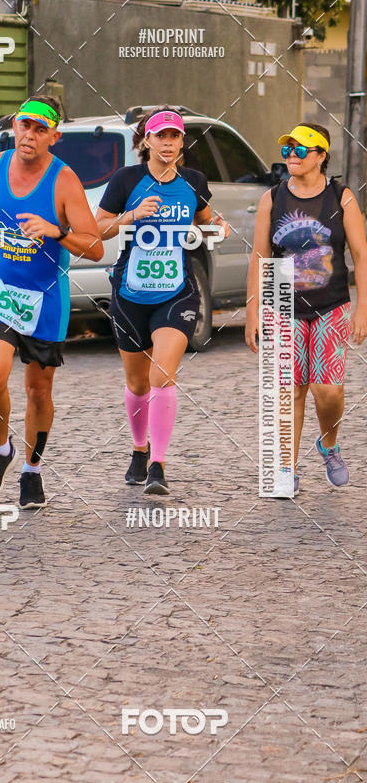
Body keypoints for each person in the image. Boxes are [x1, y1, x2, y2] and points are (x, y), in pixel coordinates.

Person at [0, 96, 103, 509]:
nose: (30, 135)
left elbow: (94, 247)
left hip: (45, 298)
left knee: (38, 391)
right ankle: (2, 449)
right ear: (13, 128)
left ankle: (32, 473)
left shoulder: (64, 182)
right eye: (24, 125)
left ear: (54, 137)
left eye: (40, 129)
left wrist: (55, 231)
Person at [95, 107, 230, 495]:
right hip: (130, 292)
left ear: (181, 141)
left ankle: (158, 465)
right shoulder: (127, 180)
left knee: (162, 376)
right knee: (137, 384)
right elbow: (98, 229)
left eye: (175, 136)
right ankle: (140, 450)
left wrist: (217, 226)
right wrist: (132, 215)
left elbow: (207, 218)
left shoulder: (193, 181)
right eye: (161, 136)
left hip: (177, 291)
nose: (168, 143)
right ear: (146, 141)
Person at [245, 123, 367, 493]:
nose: (292, 156)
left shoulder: (341, 197)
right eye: (287, 150)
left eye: (301, 150)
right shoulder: (273, 199)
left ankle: (328, 444)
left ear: (322, 156)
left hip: (331, 302)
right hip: (282, 297)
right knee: (289, 389)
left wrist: (362, 309)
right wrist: (253, 311)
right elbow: (260, 256)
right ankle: (286, 469)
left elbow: (360, 256)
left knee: (326, 391)